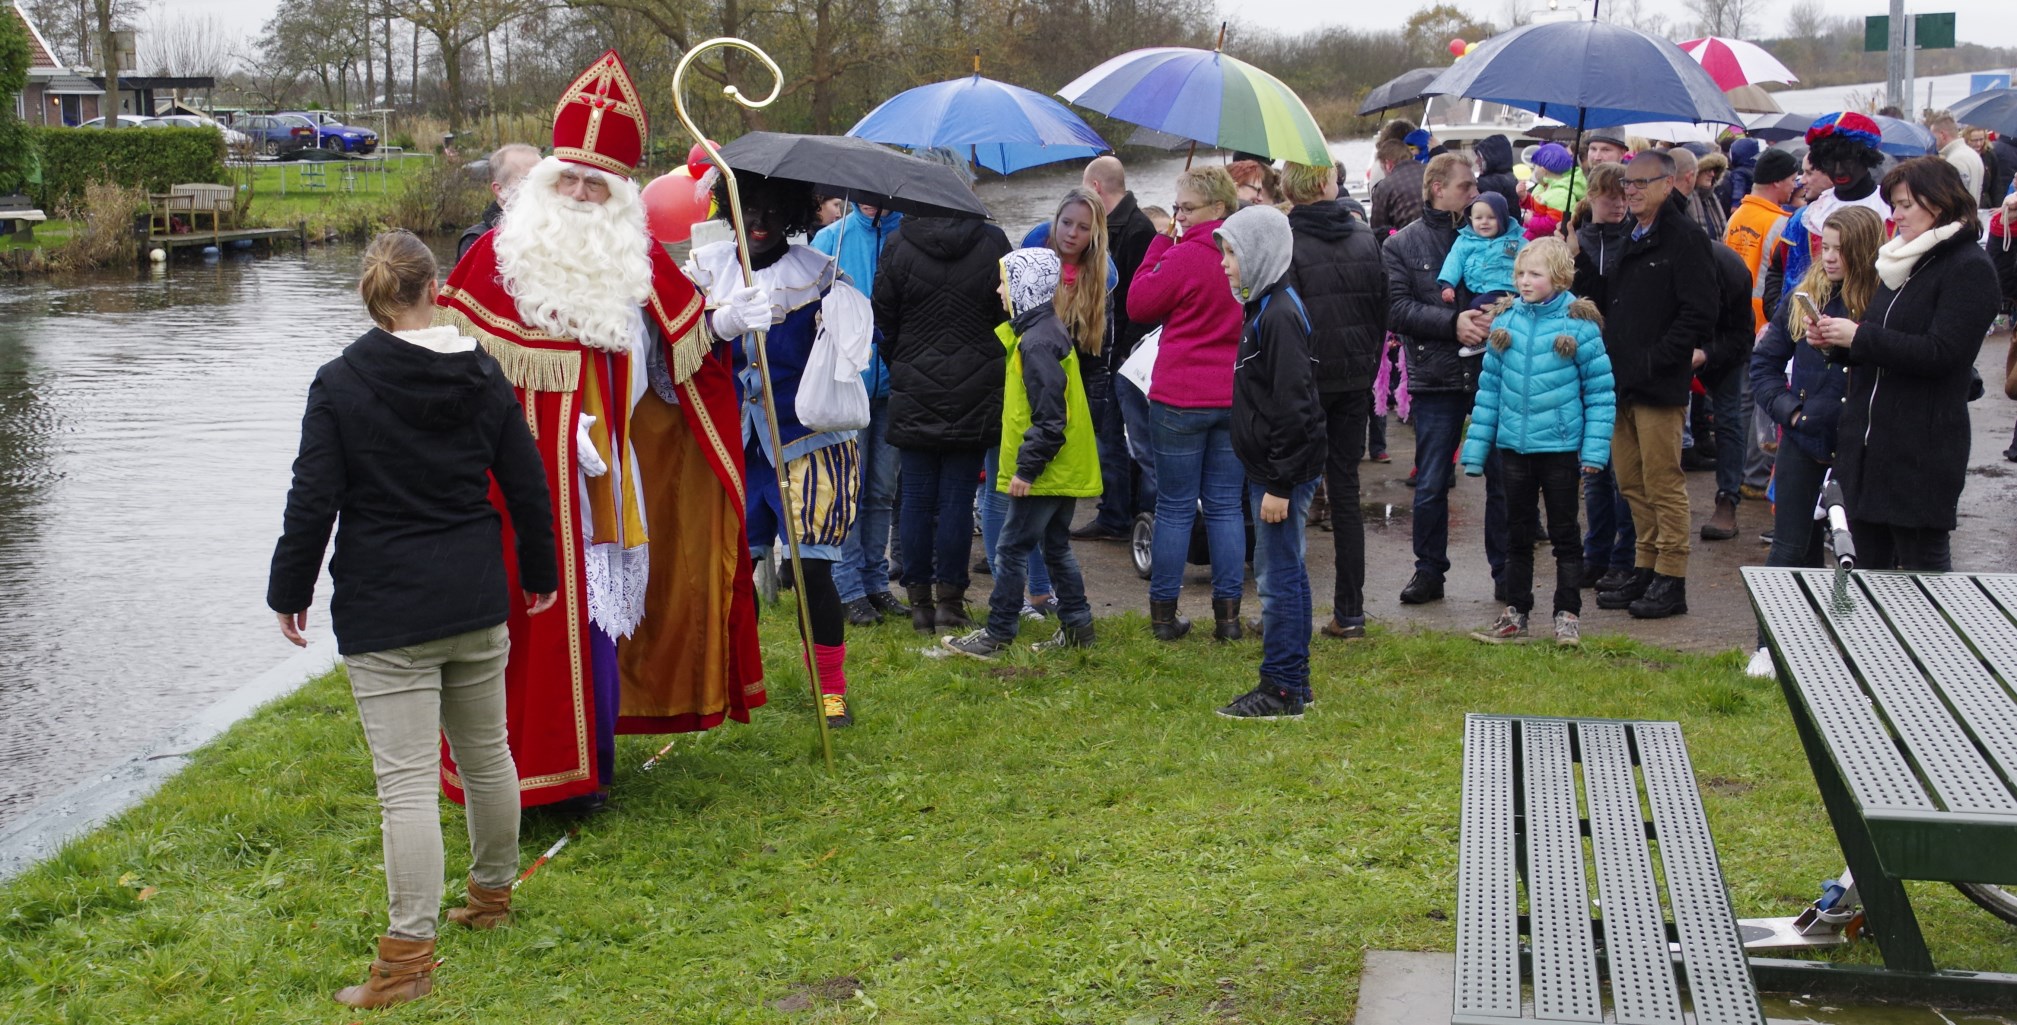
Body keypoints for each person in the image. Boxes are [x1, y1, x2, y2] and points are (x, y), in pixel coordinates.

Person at [435, 52, 762, 808]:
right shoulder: (493, 260)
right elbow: (451, 385)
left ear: (619, 196)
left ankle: (590, 768)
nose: (581, 195)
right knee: (528, 622)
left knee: (597, 624)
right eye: (569, 180)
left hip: (611, 473)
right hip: (516, 484)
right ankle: (526, 776)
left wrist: (727, 320)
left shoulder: (635, 258)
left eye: (597, 184)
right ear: (545, 183)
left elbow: (673, 357)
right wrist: (535, 436)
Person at [269, 231, 557, 1007]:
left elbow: (313, 499)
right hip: (471, 594)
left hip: (389, 604)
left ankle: (405, 962)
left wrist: (287, 589)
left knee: (406, 786)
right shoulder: (480, 370)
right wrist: (540, 570)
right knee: (487, 754)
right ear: (435, 286)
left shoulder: (339, 381)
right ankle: (492, 897)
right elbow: (526, 482)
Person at [688, 169, 873, 727]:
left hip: (806, 444)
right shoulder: (705, 272)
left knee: (812, 573)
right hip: (733, 447)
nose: (760, 222)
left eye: (773, 210)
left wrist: (839, 317)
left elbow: (859, 352)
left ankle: (832, 694)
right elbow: (668, 349)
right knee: (725, 570)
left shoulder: (819, 276)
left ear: (793, 214)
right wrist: (717, 324)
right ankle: (720, 687)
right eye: (749, 209)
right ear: (730, 210)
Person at [1808, 157, 1999, 570]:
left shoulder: (1969, 267)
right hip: (1868, 450)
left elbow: (1943, 354)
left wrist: (1859, 336)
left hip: (1921, 454)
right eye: (1894, 204)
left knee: (1922, 585)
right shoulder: (1900, 260)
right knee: (1864, 581)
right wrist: (1837, 344)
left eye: (1905, 204)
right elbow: (1885, 344)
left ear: (1941, 203)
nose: (1895, 215)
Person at [1743, 205, 1883, 677]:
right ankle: (1770, 648)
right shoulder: (1803, 296)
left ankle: (1852, 651)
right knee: (1789, 547)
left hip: (1860, 444)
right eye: (1826, 245)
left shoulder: (1885, 301)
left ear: (1865, 252)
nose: (1829, 257)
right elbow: (1763, 366)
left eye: (1842, 250)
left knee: (1854, 551)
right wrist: (1791, 413)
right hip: (1804, 439)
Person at [942, 247, 1099, 658]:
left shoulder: (1036, 343)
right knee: (1055, 545)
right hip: (1060, 466)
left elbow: (1050, 417)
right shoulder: (1043, 330)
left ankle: (998, 633)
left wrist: (1027, 470)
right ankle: (1079, 627)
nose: (998, 289)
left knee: (1011, 548)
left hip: (1045, 469)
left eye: (1006, 281)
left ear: (1026, 287)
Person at [1582, 149, 1717, 619]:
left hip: (1657, 382)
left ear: (1667, 184)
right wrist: (1576, 260)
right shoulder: (1627, 235)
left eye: (1641, 182)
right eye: (1627, 184)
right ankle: (1645, 563)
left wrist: (1657, 360)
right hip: (1620, 380)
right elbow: (1611, 299)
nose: (1631, 190)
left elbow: (1699, 312)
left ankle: (1671, 577)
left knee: (1663, 482)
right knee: (1631, 482)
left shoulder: (1685, 239)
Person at [1460, 237, 1614, 646]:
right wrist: (1475, 450)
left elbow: (1600, 393)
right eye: (1521, 274)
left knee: (1565, 534)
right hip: (1514, 448)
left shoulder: (1579, 325)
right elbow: (1488, 390)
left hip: (1561, 449)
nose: (1525, 282)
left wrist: (1595, 451)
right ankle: (1516, 612)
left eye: (1535, 274)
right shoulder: (1505, 321)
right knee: (1517, 533)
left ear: (1559, 276)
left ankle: (1567, 615)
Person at [1209, 205, 1323, 718]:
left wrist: (1278, 482)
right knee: (1287, 572)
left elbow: (1296, 407)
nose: (1225, 264)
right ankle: (1295, 682)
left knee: (1276, 581)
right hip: (1275, 467)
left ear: (1259, 252)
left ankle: (1280, 688)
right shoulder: (1263, 306)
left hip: (1281, 472)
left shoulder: (1278, 314)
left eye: (1231, 252)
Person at [873, 208, 1012, 631]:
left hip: (914, 382)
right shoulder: (992, 241)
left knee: (914, 496)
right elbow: (1006, 308)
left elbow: (884, 317)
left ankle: (918, 602)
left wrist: (904, 360)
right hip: (977, 383)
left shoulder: (897, 243)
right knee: (956, 498)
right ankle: (951, 601)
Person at [1127, 166, 1248, 641]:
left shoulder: (1183, 256)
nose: (1179, 216)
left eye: (1187, 208)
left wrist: (1159, 246)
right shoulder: (1241, 256)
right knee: (1223, 506)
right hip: (1231, 395)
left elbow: (1138, 304)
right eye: (1177, 207)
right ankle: (1229, 618)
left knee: (1176, 505)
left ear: (1218, 208)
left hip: (1179, 396)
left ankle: (1164, 616)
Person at [1385, 152, 1505, 604]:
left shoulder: (1491, 231)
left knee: (1500, 475)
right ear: (1438, 188)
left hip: (1490, 369)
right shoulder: (1402, 245)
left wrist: (1502, 311)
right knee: (1433, 479)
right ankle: (1428, 570)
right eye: (1465, 187)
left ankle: (1504, 571)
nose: (1474, 193)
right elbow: (1395, 309)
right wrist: (1452, 322)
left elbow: (1522, 284)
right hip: (1435, 373)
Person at [1281, 160, 1387, 641]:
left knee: (1290, 490)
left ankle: (1288, 608)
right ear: (1328, 185)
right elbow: (1380, 309)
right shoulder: (1365, 237)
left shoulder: (1286, 242)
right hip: (1354, 377)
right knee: (1344, 491)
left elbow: (1287, 320)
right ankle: (1351, 610)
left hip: (1307, 381)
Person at [812, 202, 908, 626]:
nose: (870, 199)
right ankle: (847, 586)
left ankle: (876, 583)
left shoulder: (907, 236)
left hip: (893, 383)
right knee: (847, 491)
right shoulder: (830, 240)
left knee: (883, 490)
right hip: (845, 384)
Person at [1075, 155, 1161, 540]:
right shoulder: (1117, 226)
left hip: (1125, 353)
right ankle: (1118, 509)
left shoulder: (1136, 229)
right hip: (1110, 348)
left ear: (1095, 187)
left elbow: (1136, 298)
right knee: (1112, 434)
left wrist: (1124, 352)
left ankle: (1121, 515)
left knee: (1121, 436)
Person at [1568, 162, 1637, 591]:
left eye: (1623, 195)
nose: (1616, 203)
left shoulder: (1633, 240)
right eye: (1608, 194)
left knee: (1622, 474)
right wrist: (1570, 255)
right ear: (1592, 194)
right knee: (1593, 470)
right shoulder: (1574, 241)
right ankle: (1595, 551)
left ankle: (1622, 554)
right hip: (1585, 365)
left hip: (1622, 363)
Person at [1697, 237, 1757, 541]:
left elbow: (1741, 337)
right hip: (1670, 343)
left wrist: (1706, 353)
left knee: (1728, 416)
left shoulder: (1731, 269)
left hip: (1724, 345)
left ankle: (1727, 497)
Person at [1438, 192, 1523, 309]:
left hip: (1510, 290)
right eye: (1478, 218)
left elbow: (1530, 259)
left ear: (1503, 218)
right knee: (1475, 307)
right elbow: (1454, 261)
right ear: (1471, 219)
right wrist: (1448, 284)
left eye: (1492, 217)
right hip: (1480, 291)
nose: (1484, 222)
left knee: (1478, 306)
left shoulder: (1515, 238)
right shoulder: (1466, 240)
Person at [457, 142, 540, 260]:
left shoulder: (549, 230)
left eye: (545, 179)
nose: (543, 187)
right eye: (529, 180)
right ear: (500, 190)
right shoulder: (476, 240)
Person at [1369, 138, 1425, 237]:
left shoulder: (1385, 186)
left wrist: (1393, 232)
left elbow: (1378, 230)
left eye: (1383, 169)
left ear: (1388, 164)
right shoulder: (1430, 172)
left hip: (1407, 241)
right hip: (1441, 239)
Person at [1523, 142, 1584, 227]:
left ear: (1543, 170)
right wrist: (1524, 198)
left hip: (1546, 238)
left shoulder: (1561, 194)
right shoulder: (1546, 185)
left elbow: (1555, 222)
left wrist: (1532, 221)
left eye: (1535, 166)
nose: (1534, 170)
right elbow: (1540, 207)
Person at [1931, 115, 1984, 202]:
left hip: (1960, 214)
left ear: (1942, 135)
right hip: (1971, 212)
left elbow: (1955, 197)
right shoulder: (1972, 154)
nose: (1933, 141)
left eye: (1934, 137)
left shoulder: (1955, 160)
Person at [1474, 134, 1521, 214]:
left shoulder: (1495, 183)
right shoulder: (1509, 177)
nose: (1476, 161)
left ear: (1492, 157)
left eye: (1480, 157)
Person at [1721, 136, 1759, 213]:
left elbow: (1738, 188)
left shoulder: (1739, 172)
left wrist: (1735, 204)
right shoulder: (1756, 169)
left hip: (1741, 206)